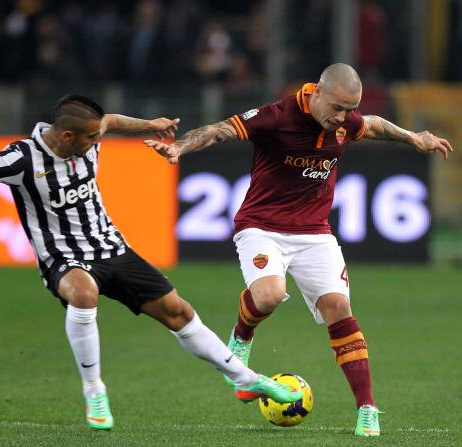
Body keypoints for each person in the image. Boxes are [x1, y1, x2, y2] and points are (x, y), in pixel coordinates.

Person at [0, 94, 302, 430]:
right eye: (91, 140)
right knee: (83, 294)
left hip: (111, 246)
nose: (98, 143)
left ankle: (245, 378)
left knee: (179, 312)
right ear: (65, 138)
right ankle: (94, 388)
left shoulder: (85, 130)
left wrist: (149, 125)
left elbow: (110, 121)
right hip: (63, 256)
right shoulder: (21, 159)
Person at [144, 63, 454, 437]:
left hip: (315, 234)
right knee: (271, 295)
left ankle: (367, 408)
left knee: (339, 308)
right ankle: (241, 337)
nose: (342, 118)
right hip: (261, 227)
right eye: (337, 108)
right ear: (317, 92)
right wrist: (181, 146)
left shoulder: (345, 121)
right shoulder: (277, 117)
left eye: (348, 110)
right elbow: (220, 130)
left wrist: (413, 137)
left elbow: (371, 124)